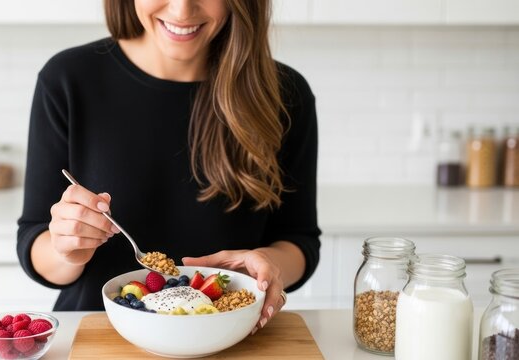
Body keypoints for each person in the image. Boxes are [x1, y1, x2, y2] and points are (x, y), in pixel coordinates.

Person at [17, 0, 320, 333]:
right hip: (100, 335)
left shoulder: (284, 95)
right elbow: (34, 243)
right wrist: (66, 250)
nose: (181, 11)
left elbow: (298, 240)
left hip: (229, 336)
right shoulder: (67, 79)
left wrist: (269, 265)